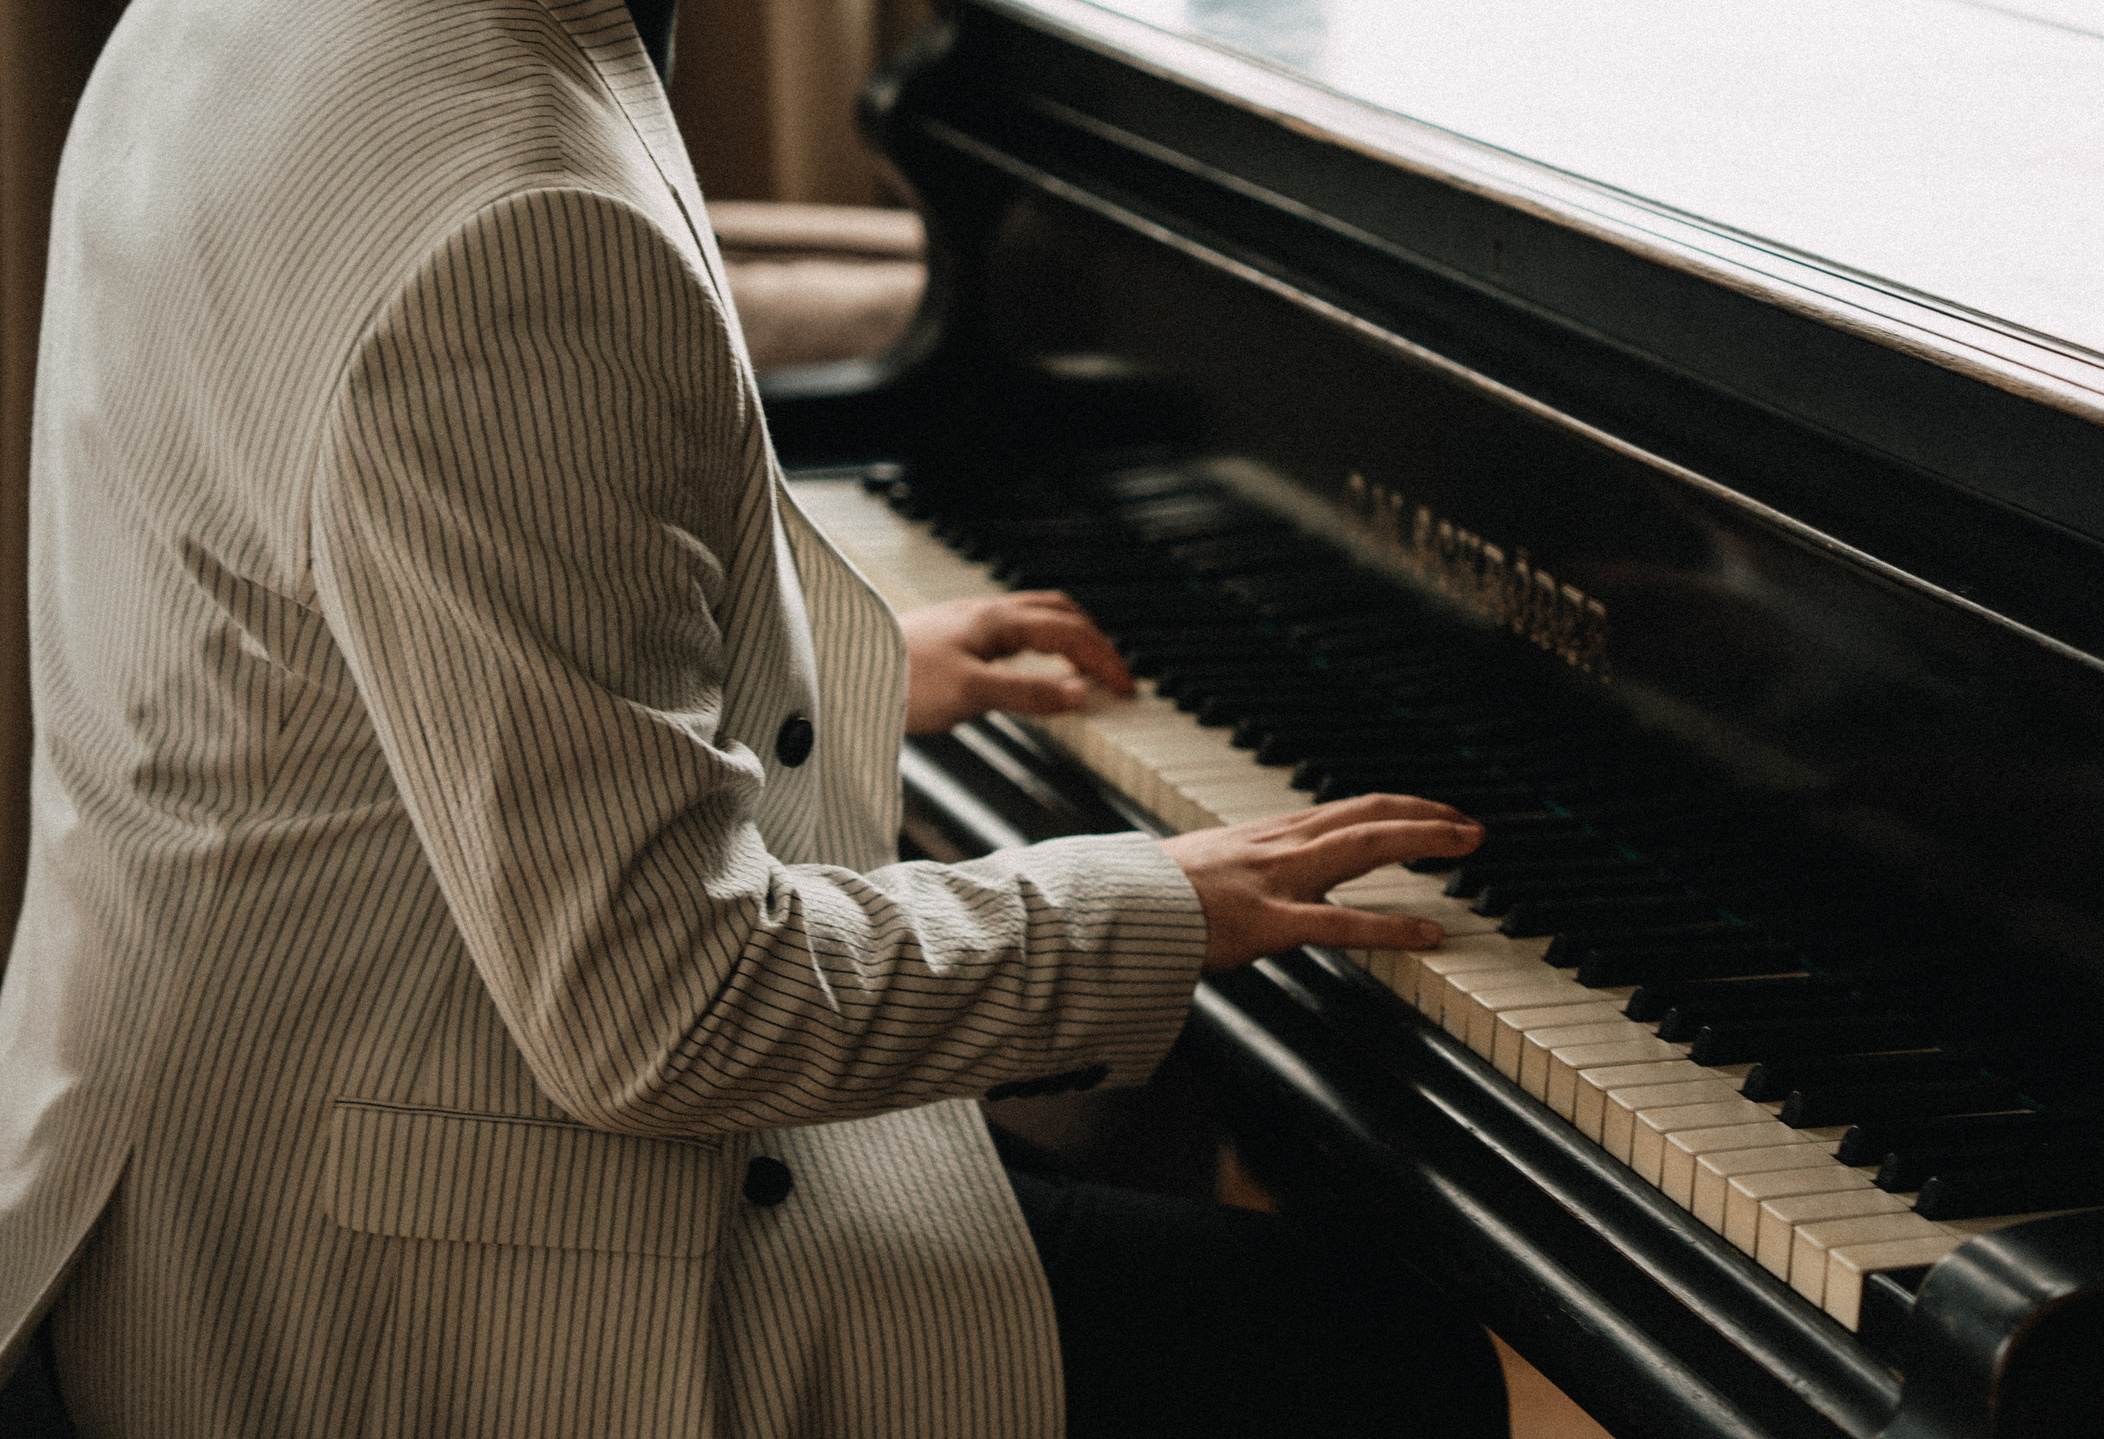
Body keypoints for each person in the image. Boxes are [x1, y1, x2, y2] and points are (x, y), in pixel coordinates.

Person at [0, 0, 1508, 1434]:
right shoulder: (514, 199)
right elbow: (667, 1013)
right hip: (374, 1293)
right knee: (1389, 1362)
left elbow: (363, 652)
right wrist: (1154, 904)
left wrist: (816, 669)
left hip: (198, 1163)